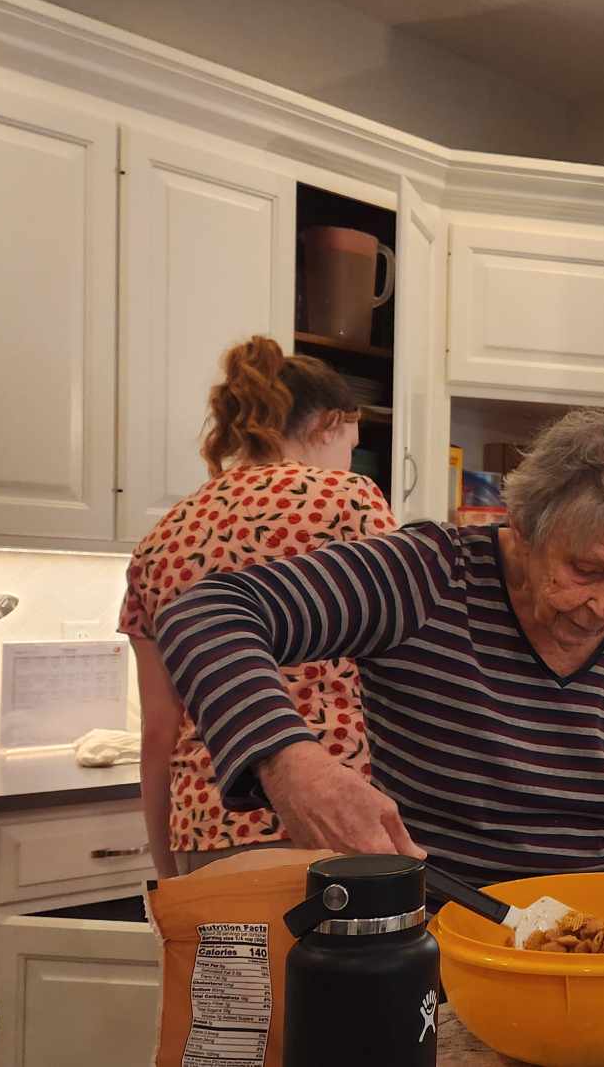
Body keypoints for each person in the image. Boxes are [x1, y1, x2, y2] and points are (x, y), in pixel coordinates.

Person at [153, 409, 604, 916]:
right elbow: (204, 613)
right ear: (523, 525)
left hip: (599, 941)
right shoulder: (427, 575)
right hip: (442, 944)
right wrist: (290, 761)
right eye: (587, 571)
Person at [123, 336, 395, 877]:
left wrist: (168, 875)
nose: (348, 459)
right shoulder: (349, 499)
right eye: (350, 442)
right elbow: (400, 676)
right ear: (327, 426)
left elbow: (159, 731)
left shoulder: (162, 535)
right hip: (330, 825)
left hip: (204, 832)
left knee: (230, 967)